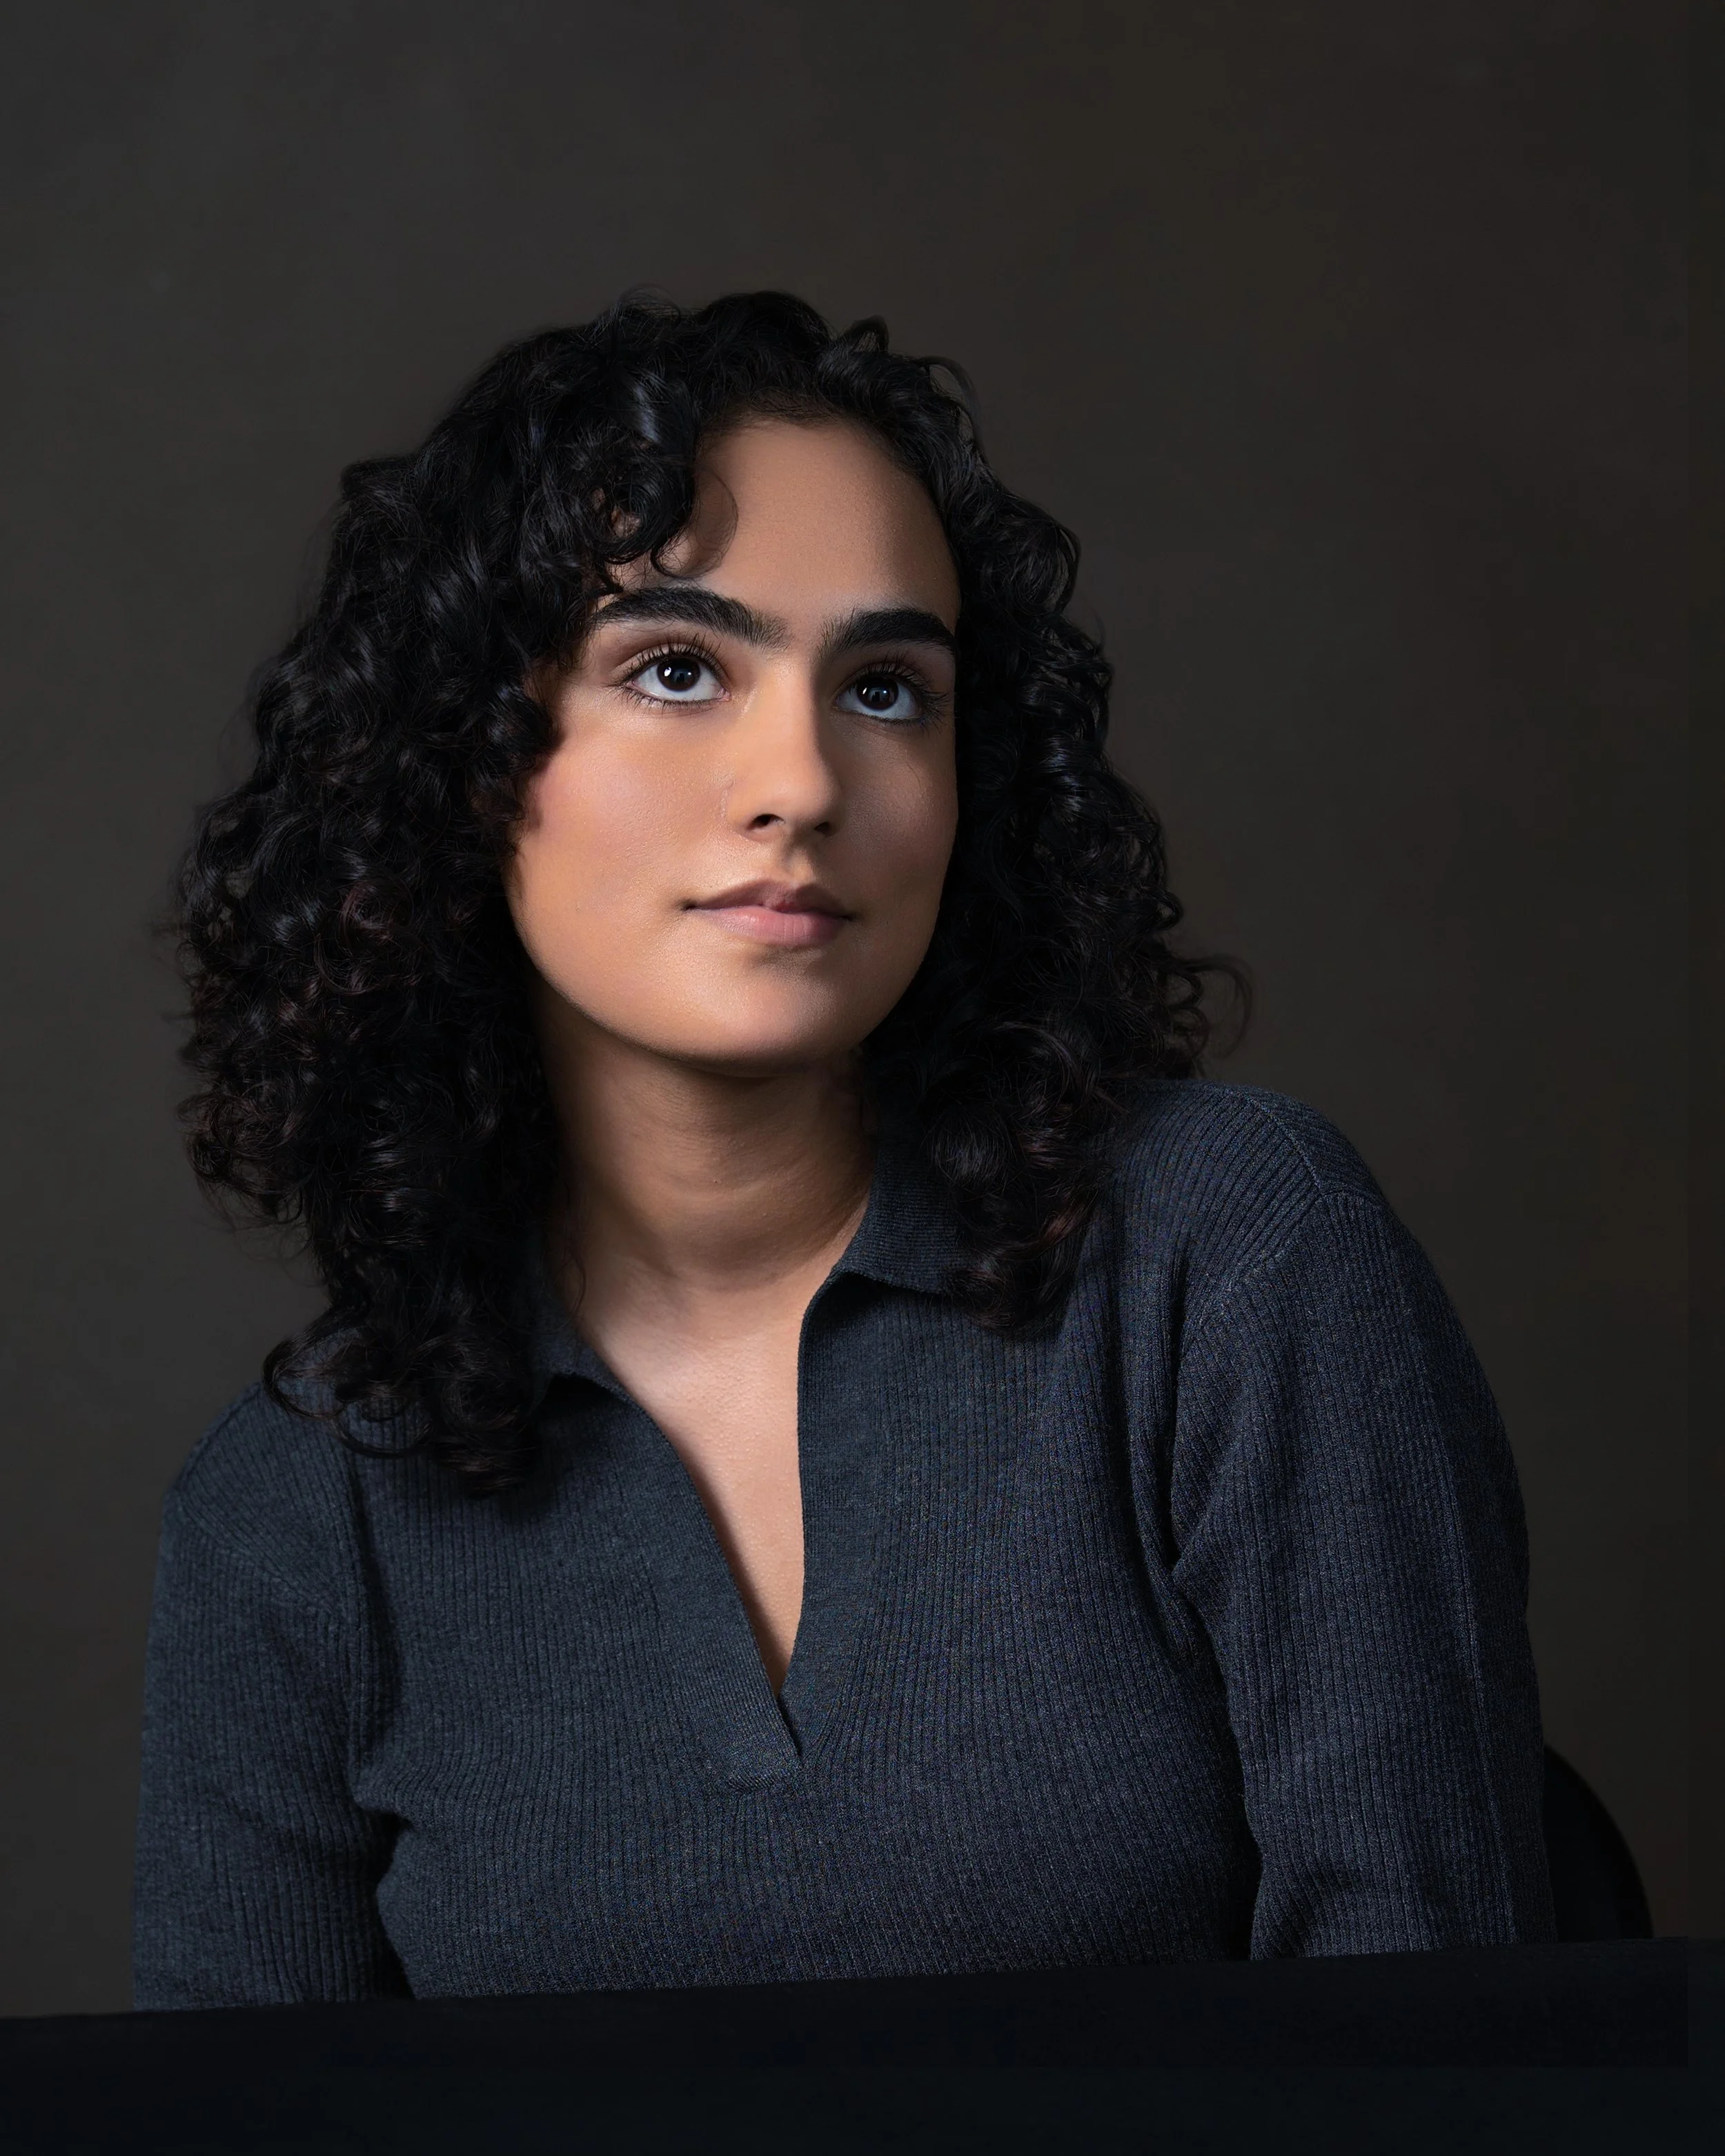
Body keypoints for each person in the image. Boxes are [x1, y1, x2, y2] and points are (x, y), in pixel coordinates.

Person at [133, 292, 1554, 2008]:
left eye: (886, 689)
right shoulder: (297, 1507)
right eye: (675, 667)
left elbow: (1438, 2057)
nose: (801, 780)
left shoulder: (1230, 1257)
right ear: (459, 759)